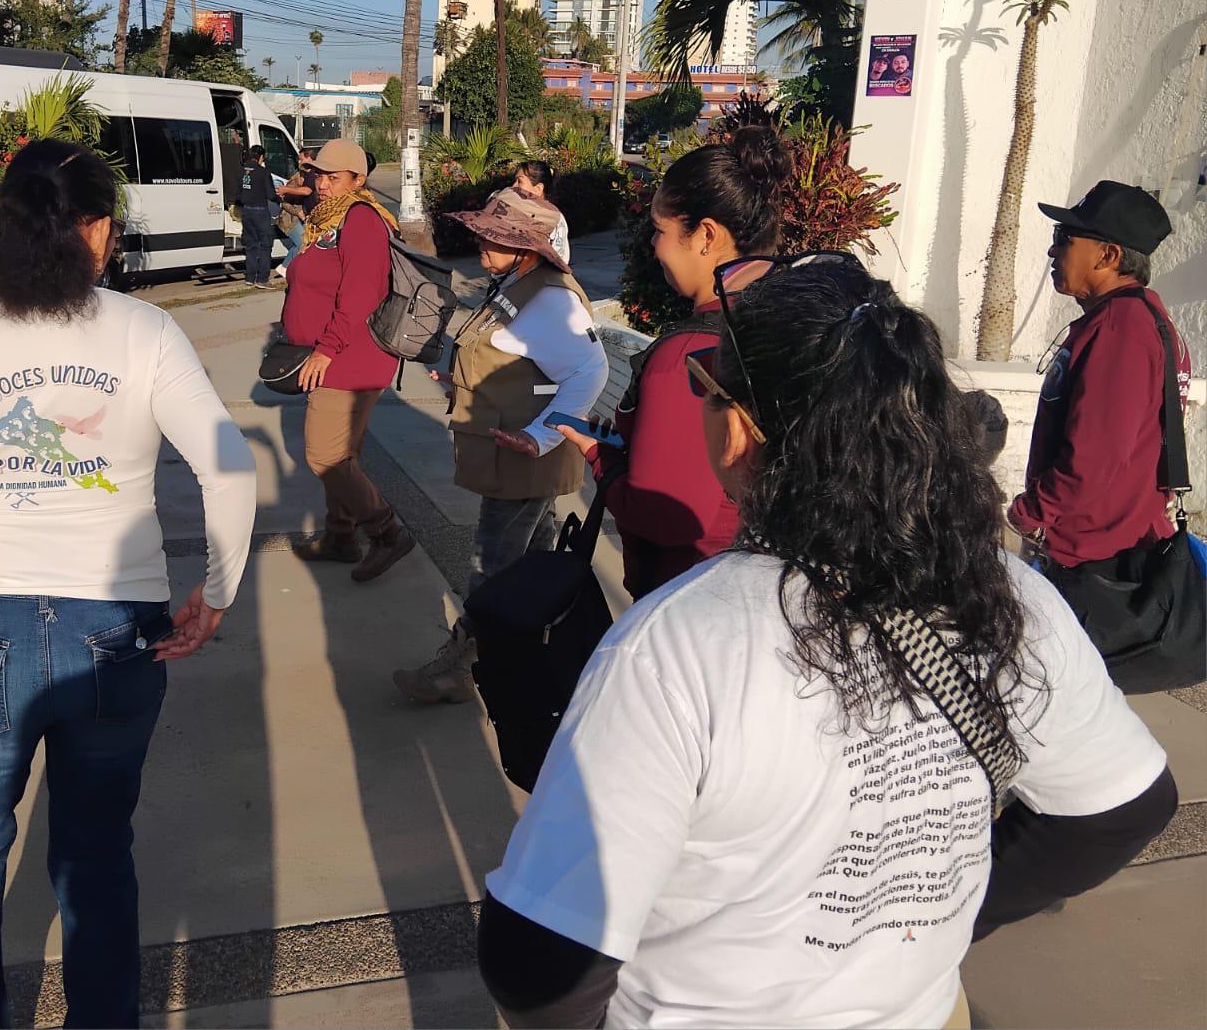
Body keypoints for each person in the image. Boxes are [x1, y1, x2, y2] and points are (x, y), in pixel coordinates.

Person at [477, 256, 1177, 1028]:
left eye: (706, 390)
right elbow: (1122, 807)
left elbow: (539, 966)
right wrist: (926, 931)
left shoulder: (679, 645)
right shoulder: (1011, 596)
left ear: (741, 429)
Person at [0, 139, 257, 1028]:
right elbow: (230, 469)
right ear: (101, 228)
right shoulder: (146, 331)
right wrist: (217, 589)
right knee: (96, 851)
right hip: (116, 629)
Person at [554, 125, 787, 600]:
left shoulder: (688, 357)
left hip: (697, 596)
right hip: (775, 585)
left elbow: (665, 515)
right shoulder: (790, 316)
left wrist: (601, 458)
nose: (653, 246)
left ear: (706, 236)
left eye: (660, 230)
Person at [393, 189, 607, 704]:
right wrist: (462, 380)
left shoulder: (551, 298)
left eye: (497, 238)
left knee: (493, 565)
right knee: (533, 560)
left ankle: (461, 666)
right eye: (485, 234)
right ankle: (537, 655)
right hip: (509, 451)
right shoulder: (516, 284)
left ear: (529, 249)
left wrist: (541, 436)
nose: (483, 244)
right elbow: (509, 358)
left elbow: (590, 371)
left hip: (521, 456)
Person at [1010, 181, 1191, 585]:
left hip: (1090, 560)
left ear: (1108, 255)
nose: (1053, 251)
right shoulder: (1141, 319)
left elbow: (1093, 459)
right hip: (1110, 548)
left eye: (1065, 238)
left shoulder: (1120, 329)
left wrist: (1030, 513)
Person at [281, 138, 417, 582]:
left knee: (325, 455)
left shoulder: (361, 219)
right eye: (319, 175)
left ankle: (387, 532)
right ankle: (340, 536)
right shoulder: (328, 219)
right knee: (344, 456)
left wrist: (326, 347)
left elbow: (361, 293)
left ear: (358, 180)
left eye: (334, 177)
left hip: (350, 358)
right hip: (334, 354)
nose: (323, 184)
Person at [510, 160, 571, 265]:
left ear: (538, 189)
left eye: (519, 181)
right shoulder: (511, 211)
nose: (513, 186)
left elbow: (560, 260)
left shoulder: (554, 218)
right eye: (514, 181)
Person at [274, 148, 320, 277]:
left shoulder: (313, 175)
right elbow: (286, 202)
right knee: (301, 243)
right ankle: (285, 267)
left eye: (301, 159)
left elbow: (307, 192)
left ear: (309, 158)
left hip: (307, 217)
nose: (299, 162)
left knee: (307, 244)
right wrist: (298, 211)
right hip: (290, 219)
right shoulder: (297, 180)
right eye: (299, 160)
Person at [238, 144, 277, 289]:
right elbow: (271, 195)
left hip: (246, 211)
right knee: (266, 246)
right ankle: (262, 279)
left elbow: (237, 191)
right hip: (260, 212)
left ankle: (249, 277)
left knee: (251, 246)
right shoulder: (263, 172)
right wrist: (280, 197)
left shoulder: (242, 171)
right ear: (261, 157)